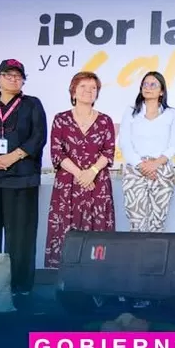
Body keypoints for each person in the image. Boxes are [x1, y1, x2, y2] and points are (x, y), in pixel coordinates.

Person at [0, 59, 47, 296]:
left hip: (21, 179)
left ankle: (19, 286)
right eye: (7, 75)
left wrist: (13, 156)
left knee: (21, 237)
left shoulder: (32, 104)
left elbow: (39, 136)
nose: (13, 79)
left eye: (18, 76)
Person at [44, 71, 115, 268]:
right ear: (73, 91)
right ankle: (64, 277)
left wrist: (92, 172)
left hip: (97, 184)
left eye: (93, 88)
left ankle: (96, 276)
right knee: (65, 232)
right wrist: (80, 174)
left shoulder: (105, 121)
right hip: (68, 185)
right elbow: (57, 152)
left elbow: (109, 151)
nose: (88, 91)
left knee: (97, 233)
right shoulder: (61, 119)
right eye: (83, 86)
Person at [119, 71, 175, 233]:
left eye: (153, 84)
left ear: (162, 91)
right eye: (145, 84)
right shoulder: (131, 112)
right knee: (136, 223)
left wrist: (155, 164)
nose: (148, 87)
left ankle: (155, 251)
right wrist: (142, 166)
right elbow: (124, 143)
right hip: (135, 170)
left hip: (161, 169)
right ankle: (137, 251)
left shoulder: (171, 114)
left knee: (157, 223)